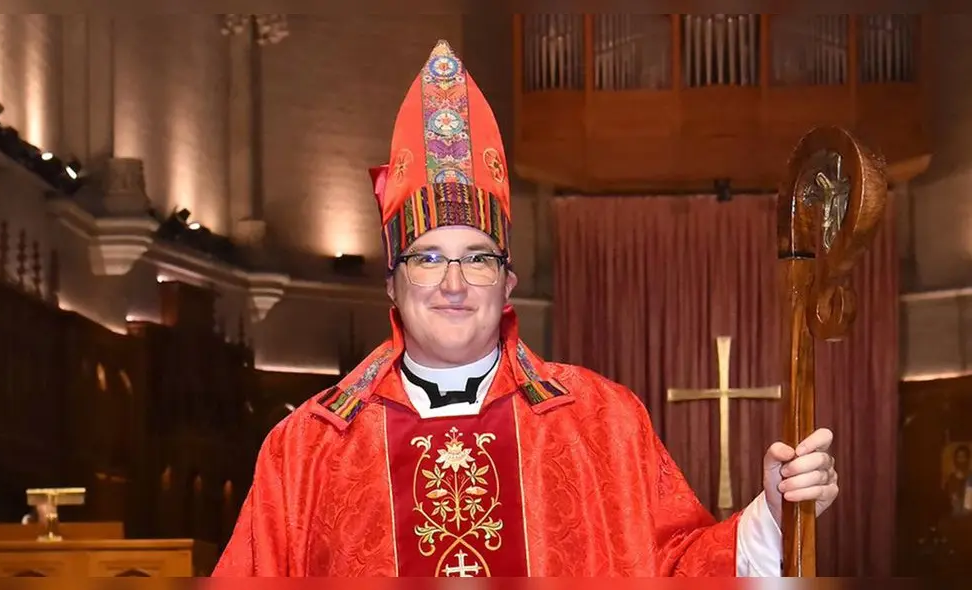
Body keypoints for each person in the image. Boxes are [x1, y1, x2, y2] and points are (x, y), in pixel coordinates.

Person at [212, 39, 839, 577]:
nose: (453, 282)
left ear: (508, 282)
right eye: (427, 258)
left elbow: (677, 570)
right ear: (391, 284)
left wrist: (774, 515)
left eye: (477, 257)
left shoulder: (603, 424)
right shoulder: (309, 449)